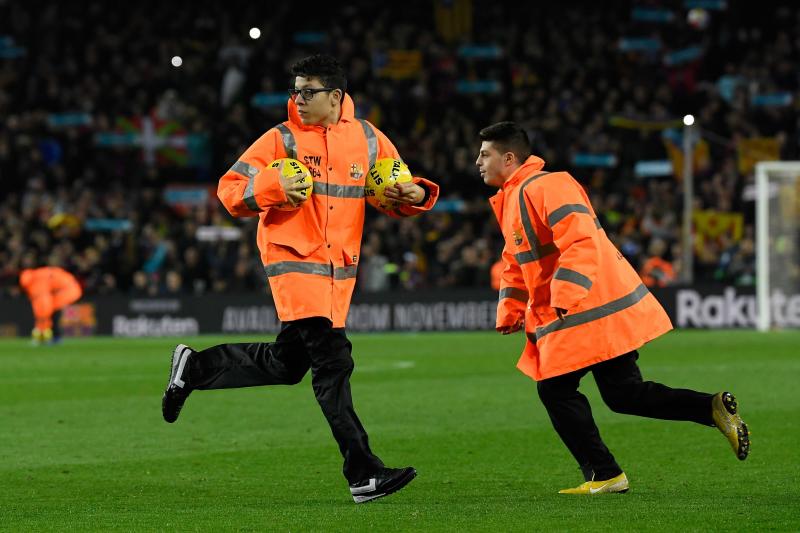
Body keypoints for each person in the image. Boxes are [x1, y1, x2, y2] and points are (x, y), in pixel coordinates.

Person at [162, 54, 439, 503]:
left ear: (335, 96)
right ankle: (363, 474)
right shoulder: (281, 139)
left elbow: (394, 190)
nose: (298, 99)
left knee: (287, 365)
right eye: (295, 90)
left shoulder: (369, 138)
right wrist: (271, 188)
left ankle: (193, 368)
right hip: (293, 263)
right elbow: (230, 190)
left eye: (308, 91)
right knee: (334, 363)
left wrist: (415, 193)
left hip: (337, 273)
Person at [476, 121, 749, 495]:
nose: (478, 161)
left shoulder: (547, 185)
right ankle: (712, 408)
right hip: (584, 310)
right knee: (624, 395)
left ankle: (604, 473)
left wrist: (566, 293)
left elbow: (581, 240)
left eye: (485, 154)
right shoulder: (514, 197)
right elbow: (515, 260)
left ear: (508, 158)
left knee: (555, 390)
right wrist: (510, 307)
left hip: (581, 311)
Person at [19, 265, 83, 344]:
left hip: (69, 290)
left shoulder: (36, 282)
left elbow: (43, 305)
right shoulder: (38, 274)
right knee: (52, 312)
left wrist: (41, 321)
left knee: (49, 313)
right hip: (71, 288)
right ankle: (53, 337)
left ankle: (48, 338)